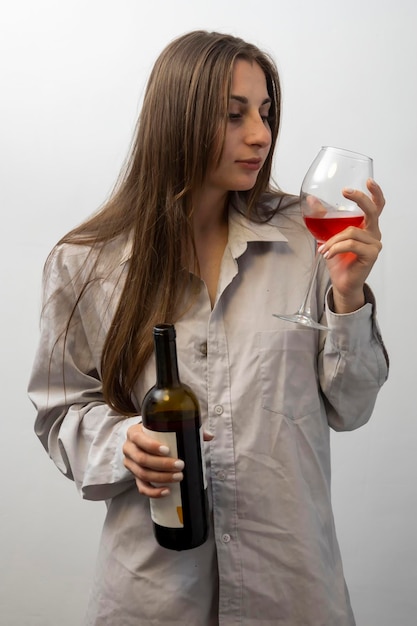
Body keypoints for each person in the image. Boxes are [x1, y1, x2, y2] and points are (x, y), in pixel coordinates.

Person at [28, 30, 388, 626]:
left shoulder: (307, 239)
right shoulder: (86, 264)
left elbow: (351, 407)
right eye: (234, 115)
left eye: (266, 113)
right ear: (178, 119)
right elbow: (59, 412)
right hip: (153, 596)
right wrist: (125, 444)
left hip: (291, 590)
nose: (261, 135)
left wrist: (349, 297)